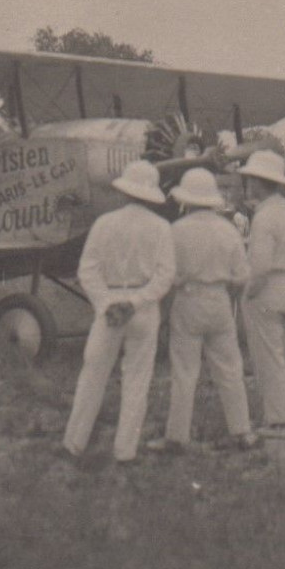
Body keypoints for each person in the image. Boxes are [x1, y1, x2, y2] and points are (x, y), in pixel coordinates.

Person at [63, 160, 175, 464]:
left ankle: (74, 443)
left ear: (125, 191)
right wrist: (136, 302)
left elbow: (87, 269)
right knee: (137, 378)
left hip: (110, 304)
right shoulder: (162, 228)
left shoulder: (104, 223)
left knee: (93, 374)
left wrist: (106, 303)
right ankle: (125, 451)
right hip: (143, 307)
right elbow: (165, 276)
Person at [149, 167, 257, 454]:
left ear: (187, 199)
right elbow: (243, 276)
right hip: (219, 300)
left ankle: (177, 436)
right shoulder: (228, 231)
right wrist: (227, 295)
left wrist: (163, 313)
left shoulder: (177, 231)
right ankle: (242, 431)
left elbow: (167, 278)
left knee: (184, 371)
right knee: (230, 369)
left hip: (188, 299)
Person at [239, 150, 285, 437]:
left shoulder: (263, 216)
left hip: (267, 288)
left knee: (267, 357)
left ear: (257, 181)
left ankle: (278, 421)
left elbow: (261, 264)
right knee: (279, 353)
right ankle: (278, 417)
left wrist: (249, 292)